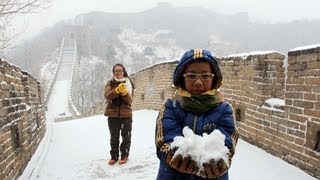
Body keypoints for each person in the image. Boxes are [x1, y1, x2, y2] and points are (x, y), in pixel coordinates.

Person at [155, 49, 239, 179]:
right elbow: (165, 140)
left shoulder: (225, 110)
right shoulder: (170, 107)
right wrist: (175, 154)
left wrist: (219, 160)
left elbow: (228, 143)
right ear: (182, 79)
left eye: (205, 76)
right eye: (191, 76)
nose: (198, 82)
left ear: (214, 78)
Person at [104, 63, 134, 165]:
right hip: (112, 115)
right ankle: (114, 156)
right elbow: (107, 96)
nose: (118, 73)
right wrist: (116, 90)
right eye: (116, 71)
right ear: (113, 72)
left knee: (126, 136)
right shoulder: (110, 83)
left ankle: (124, 155)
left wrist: (124, 93)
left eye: (120, 70)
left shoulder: (128, 83)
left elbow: (130, 100)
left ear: (123, 71)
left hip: (126, 114)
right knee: (114, 137)